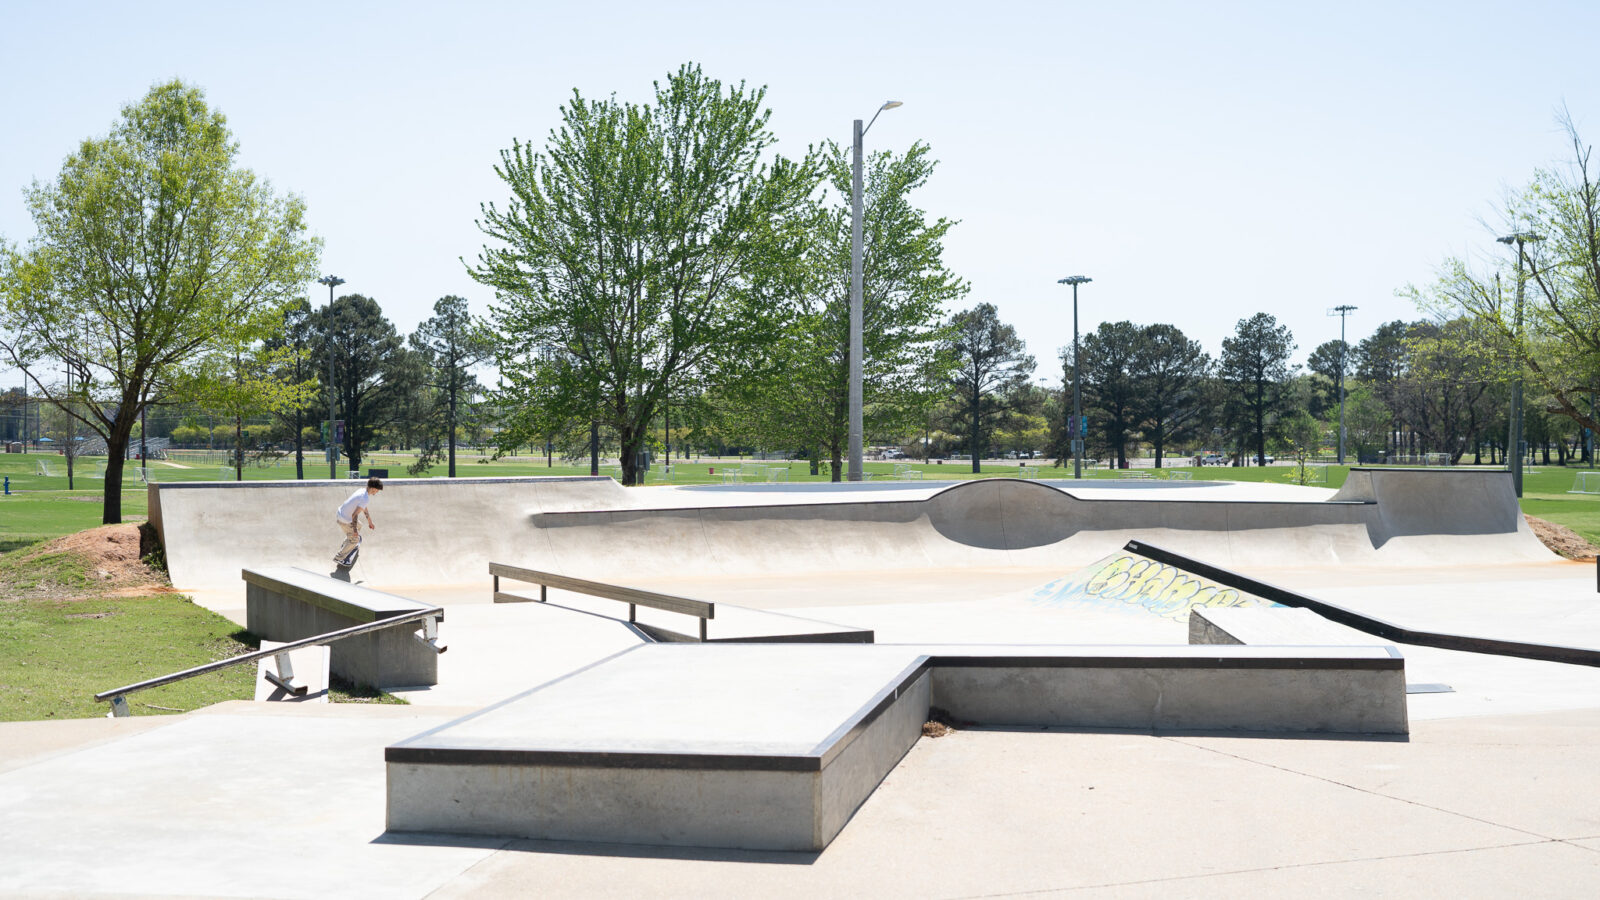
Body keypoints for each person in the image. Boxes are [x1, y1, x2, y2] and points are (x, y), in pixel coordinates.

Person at [334, 477, 382, 563]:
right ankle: (339, 558)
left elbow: (363, 507)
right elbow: (354, 515)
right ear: (373, 488)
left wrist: (369, 521)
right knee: (355, 539)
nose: (377, 492)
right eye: (377, 490)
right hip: (344, 520)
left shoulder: (362, 491)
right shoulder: (365, 498)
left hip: (340, 513)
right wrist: (355, 531)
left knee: (359, 525)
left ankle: (348, 541)